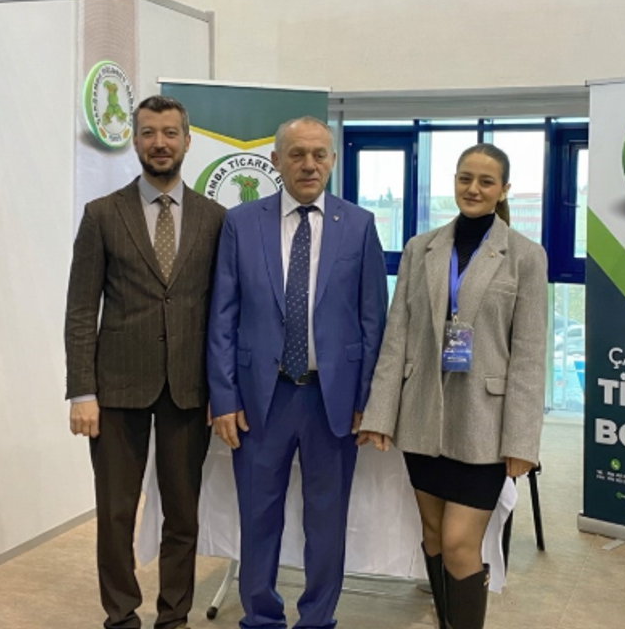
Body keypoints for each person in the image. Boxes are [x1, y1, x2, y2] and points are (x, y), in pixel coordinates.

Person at [208, 116, 389, 629]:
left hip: (332, 401)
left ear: (332, 160)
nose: (309, 164)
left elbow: (373, 320)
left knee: (327, 522)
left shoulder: (359, 224)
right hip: (260, 399)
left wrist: (368, 400)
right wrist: (224, 398)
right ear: (276, 161)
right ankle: (261, 617)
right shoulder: (241, 223)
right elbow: (222, 317)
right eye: (297, 154)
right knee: (257, 516)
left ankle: (317, 619)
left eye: (319, 154)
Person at [358, 143, 547, 629]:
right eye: (465, 178)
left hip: (485, 425)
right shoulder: (421, 248)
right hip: (422, 415)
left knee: (461, 544)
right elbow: (396, 337)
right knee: (434, 535)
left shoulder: (525, 256)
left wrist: (522, 441)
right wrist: (380, 413)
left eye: (486, 181)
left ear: (504, 189)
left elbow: (529, 357)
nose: (473, 189)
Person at [65, 95, 227, 629]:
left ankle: (173, 616)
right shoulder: (101, 215)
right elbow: (81, 309)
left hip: (189, 388)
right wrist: (81, 392)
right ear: (135, 141)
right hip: (115, 389)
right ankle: (121, 615)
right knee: (115, 514)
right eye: (149, 133)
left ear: (187, 140)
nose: (160, 143)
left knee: (182, 514)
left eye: (170, 133)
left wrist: (223, 391)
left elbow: (224, 312)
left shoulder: (215, 219)